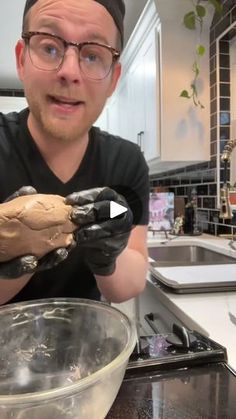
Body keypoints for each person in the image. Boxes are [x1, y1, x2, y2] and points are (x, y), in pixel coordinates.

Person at [0, 0, 149, 305]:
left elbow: (132, 277)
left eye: (93, 55)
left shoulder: (126, 161)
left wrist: (110, 254)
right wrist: (19, 248)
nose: (69, 72)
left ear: (114, 79)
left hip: (88, 345)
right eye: (50, 47)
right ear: (21, 60)